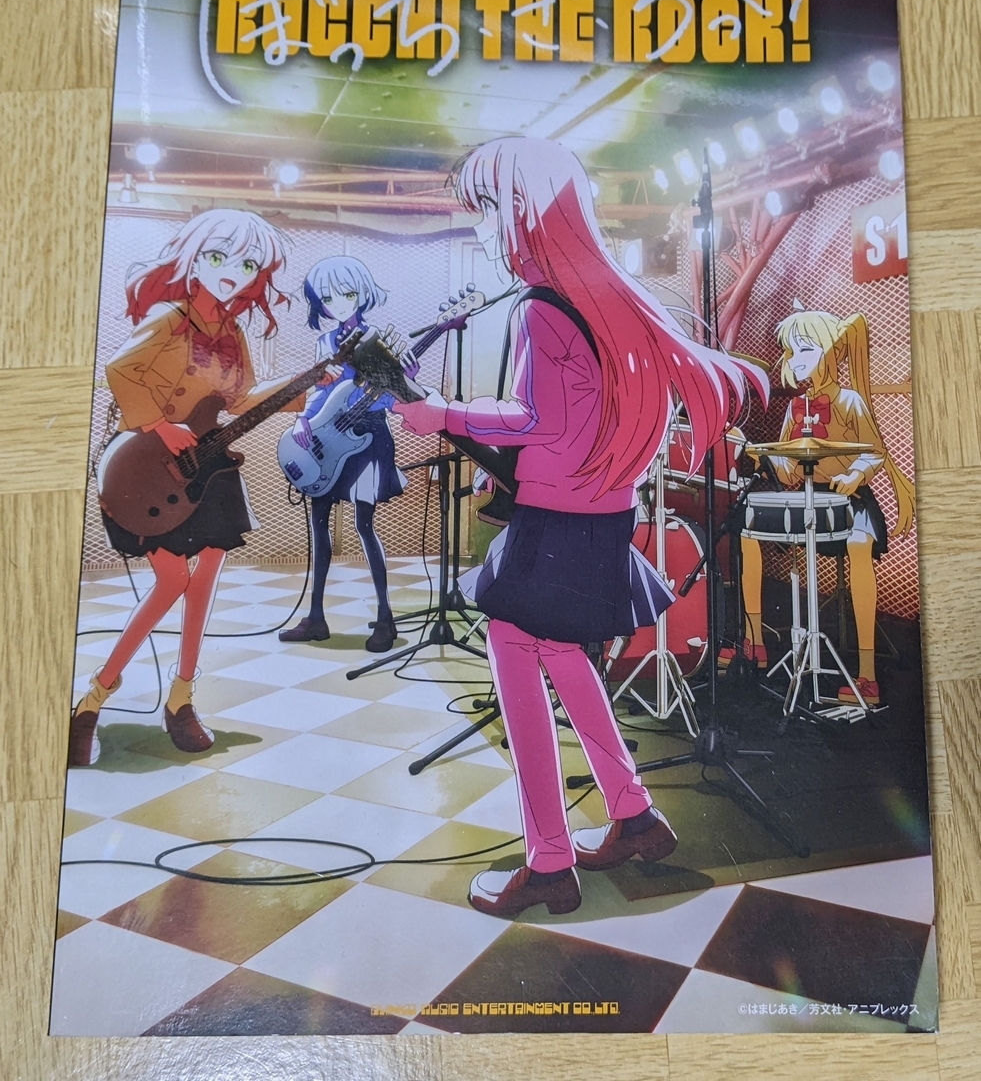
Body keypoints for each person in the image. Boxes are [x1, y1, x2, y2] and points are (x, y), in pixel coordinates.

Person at [395, 137, 765, 917]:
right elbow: (572, 421)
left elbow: (540, 420)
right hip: (599, 514)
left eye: (487, 209)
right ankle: (633, 817)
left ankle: (549, 864)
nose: (482, 229)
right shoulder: (606, 298)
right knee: (563, 657)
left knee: (515, 659)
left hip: (554, 522)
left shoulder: (542, 306)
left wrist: (442, 413)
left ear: (522, 209)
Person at [69, 209, 316, 767]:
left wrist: (306, 386)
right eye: (219, 256)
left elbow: (241, 401)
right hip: (146, 468)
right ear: (194, 257)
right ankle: (94, 698)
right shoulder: (168, 318)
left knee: (203, 581)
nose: (233, 272)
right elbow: (120, 370)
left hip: (208, 468)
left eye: (248, 265)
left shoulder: (232, 332)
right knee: (172, 580)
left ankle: (182, 698)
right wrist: (160, 424)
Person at [728, 304, 915, 707]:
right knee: (747, 532)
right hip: (808, 497)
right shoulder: (795, 409)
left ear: (832, 352)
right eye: (791, 352)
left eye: (806, 350)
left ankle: (867, 673)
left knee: (859, 545)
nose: (796, 361)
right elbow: (788, 468)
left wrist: (855, 475)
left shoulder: (850, 401)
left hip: (852, 499)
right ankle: (755, 640)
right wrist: (760, 456)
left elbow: (874, 452)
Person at [279, 257, 408, 652]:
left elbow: (393, 400)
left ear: (362, 294)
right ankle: (316, 617)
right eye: (328, 297)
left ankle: (385, 618)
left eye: (347, 294)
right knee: (318, 522)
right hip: (328, 435)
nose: (338, 303)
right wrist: (304, 420)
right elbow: (322, 391)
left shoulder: (378, 340)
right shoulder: (326, 342)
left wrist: (404, 378)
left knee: (364, 524)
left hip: (368, 439)